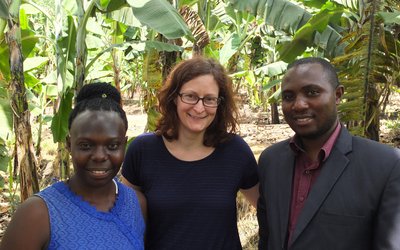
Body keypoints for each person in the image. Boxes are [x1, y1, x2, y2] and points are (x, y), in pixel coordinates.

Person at [257, 57, 400, 250]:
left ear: (338, 95)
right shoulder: (270, 161)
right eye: (289, 96)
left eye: (312, 92)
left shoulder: (385, 165)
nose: (298, 105)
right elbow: (267, 238)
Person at [121, 56, 259, 250]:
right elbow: (124, 217)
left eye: (209, 99)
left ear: (220, 104)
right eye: (191, 96)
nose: (200, 107)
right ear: (174, 97)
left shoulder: (235, 151)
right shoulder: (143, 150)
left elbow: (268, 211)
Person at [0, 82, 146, 250]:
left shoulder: (136, 204)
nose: (99, 156)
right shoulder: (37, 214)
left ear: (124, 145)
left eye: (112, 146)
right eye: (86, 145)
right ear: (69, 145)